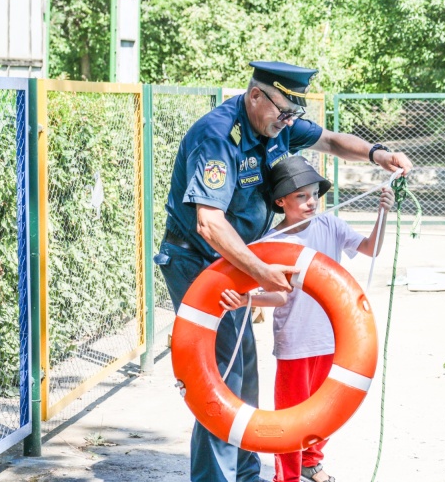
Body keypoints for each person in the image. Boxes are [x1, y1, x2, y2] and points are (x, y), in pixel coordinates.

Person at [154, 60, 412, 482]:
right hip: (197, 260)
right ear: (256, 96)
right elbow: (209, 223)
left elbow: (330, 141)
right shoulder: (217, 137)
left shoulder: (278, 124)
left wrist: (378, 154)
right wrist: (262, 270)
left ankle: (246, 474)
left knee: (244, 374)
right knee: (220, 377)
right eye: (283, 112)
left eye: (294, 114)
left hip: (235, 262)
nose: (289, 122)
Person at [219, 155, 394, 482]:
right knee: (291, 417)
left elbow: (371, 248)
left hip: (336, 339)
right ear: (281, 201)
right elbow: (279, 294)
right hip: (296, 343)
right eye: (301, 196)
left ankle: (312, 461)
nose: (311, 201)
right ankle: (287, 477)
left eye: (314, 194)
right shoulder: (272, 243)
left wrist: (382, 213)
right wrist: (248, 299)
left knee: (326, 410)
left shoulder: (331, 226)